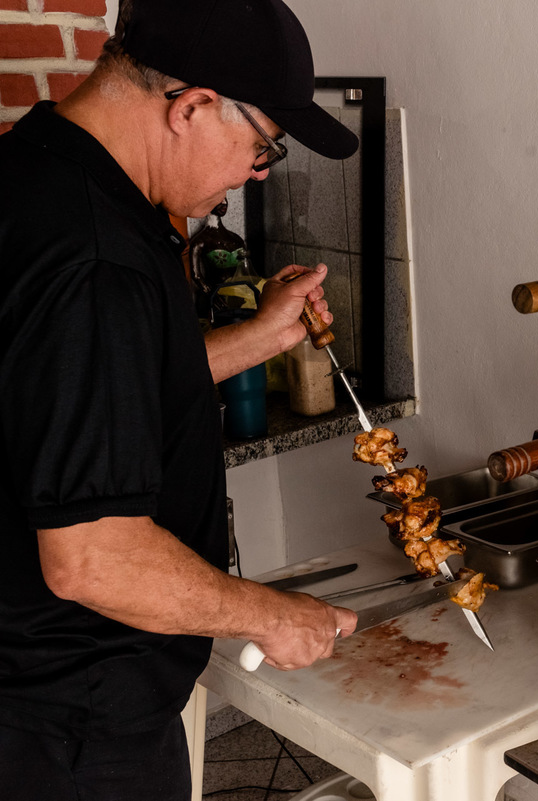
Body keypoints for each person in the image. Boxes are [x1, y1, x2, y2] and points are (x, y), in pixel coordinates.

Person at [0, 1, 361, 798]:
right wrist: (271, 614)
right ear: (192, 105)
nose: (256, 172)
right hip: (69, 729)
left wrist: (259, 339)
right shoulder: (98, 259)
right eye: (263, 146)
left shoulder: (37, 171)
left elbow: (94, 390)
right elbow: (92, 555)